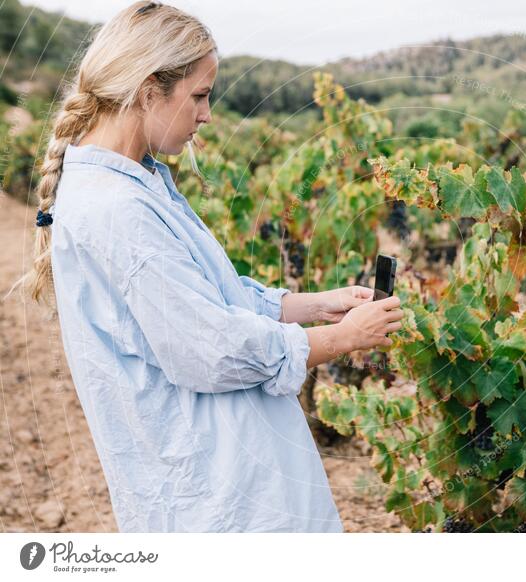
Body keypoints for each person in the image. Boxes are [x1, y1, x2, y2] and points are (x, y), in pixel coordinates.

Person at [8, 1, 404, 532]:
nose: (207, 113)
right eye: (198, 94)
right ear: (149, 90)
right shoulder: (118, 210)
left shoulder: (137, 183)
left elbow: (206, 297)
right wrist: (341, 340)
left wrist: (318, 305)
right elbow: (210, 348)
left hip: (223, 482)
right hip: (218, 498)